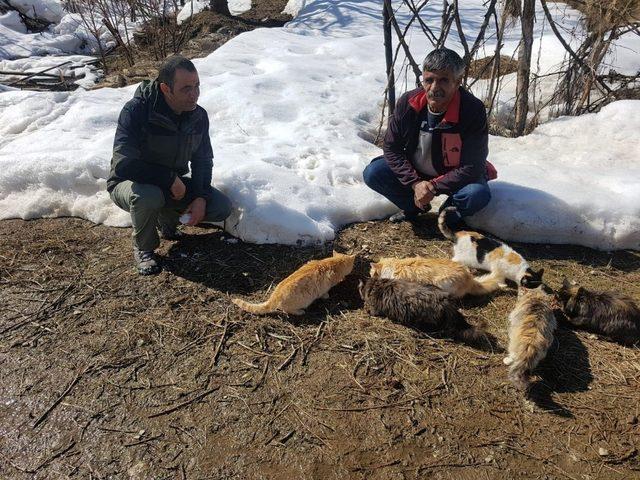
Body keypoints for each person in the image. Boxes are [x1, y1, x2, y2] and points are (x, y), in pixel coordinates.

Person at [107, 55, 232, 275]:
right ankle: (144, 247)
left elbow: (203, 160)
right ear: (166, 88)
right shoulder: (137, 111)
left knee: (221, 207)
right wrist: (168, 178)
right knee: (148, 195)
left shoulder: (198, 116)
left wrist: (201, 197)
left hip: (171, 186)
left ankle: (167, 222)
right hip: (130, 184)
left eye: (197, 86)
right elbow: (124, 165)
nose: (194, 94)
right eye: (185, 88)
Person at [363, 48, 496, 226]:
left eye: (443, 80)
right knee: (374, 172)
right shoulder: (408, 103)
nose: (434, 88)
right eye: (429, 80)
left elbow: (473, 165)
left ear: (457, 82)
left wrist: (433, 186)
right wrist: (415, 183)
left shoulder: (472, 110)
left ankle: (445, 217)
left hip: (456, 174)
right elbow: (391, 148)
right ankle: (414, 207)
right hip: (417, 171)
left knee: (476, 194)